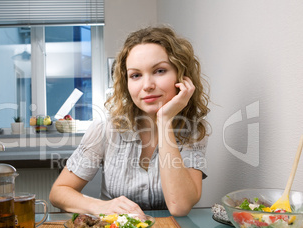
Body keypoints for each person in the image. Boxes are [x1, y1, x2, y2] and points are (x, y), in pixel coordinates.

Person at [49, 26, 210, 217]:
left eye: (159, 71)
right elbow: (58, 192)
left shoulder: (192, 131)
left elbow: (179, 206)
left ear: (182, 77)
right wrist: (100, 207)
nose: (147, 85)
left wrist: (165, 120)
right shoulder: (105, 128)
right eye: (135, 75)